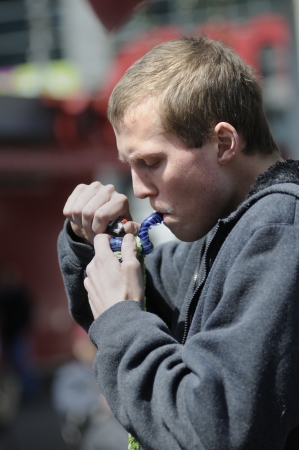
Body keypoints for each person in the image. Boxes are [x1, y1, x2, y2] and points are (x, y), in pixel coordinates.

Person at [58, 36, 299, 449]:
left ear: (224, 143)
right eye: (129, 166)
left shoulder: (279, 233)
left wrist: (121, 317)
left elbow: (213, 428)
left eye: (151, 163)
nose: (138, 188)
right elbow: (147, 291)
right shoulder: (227, 233)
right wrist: (90, 241)